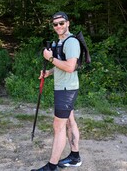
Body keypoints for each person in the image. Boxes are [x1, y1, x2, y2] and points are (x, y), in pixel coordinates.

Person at [31, 12, 82, 171]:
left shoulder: (71, 42)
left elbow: (70, 67)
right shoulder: (61, 42)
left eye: (61, 23)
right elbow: (62, 64)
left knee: (58, 127)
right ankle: (75, 157)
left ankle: (51, 166)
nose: (58, 26)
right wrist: (49, 72)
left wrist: (50, 58)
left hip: (66, 90)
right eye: (55, 24)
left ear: (68, 23)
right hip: (65, 88)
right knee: (69, 122)